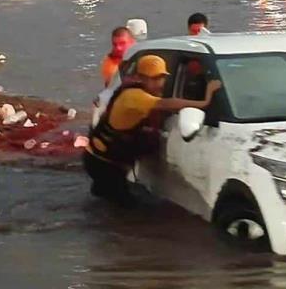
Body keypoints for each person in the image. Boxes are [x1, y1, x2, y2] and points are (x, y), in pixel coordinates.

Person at [84, 54, 222, 206]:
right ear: (140, 78)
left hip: (102, 157)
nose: (159, 83)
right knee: (127, 210)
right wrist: (205, 101)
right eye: (154, 79)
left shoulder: (137, 91)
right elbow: (168, 103)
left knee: (107, 201)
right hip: (103, 163)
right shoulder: (135, 97)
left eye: (161, 78)